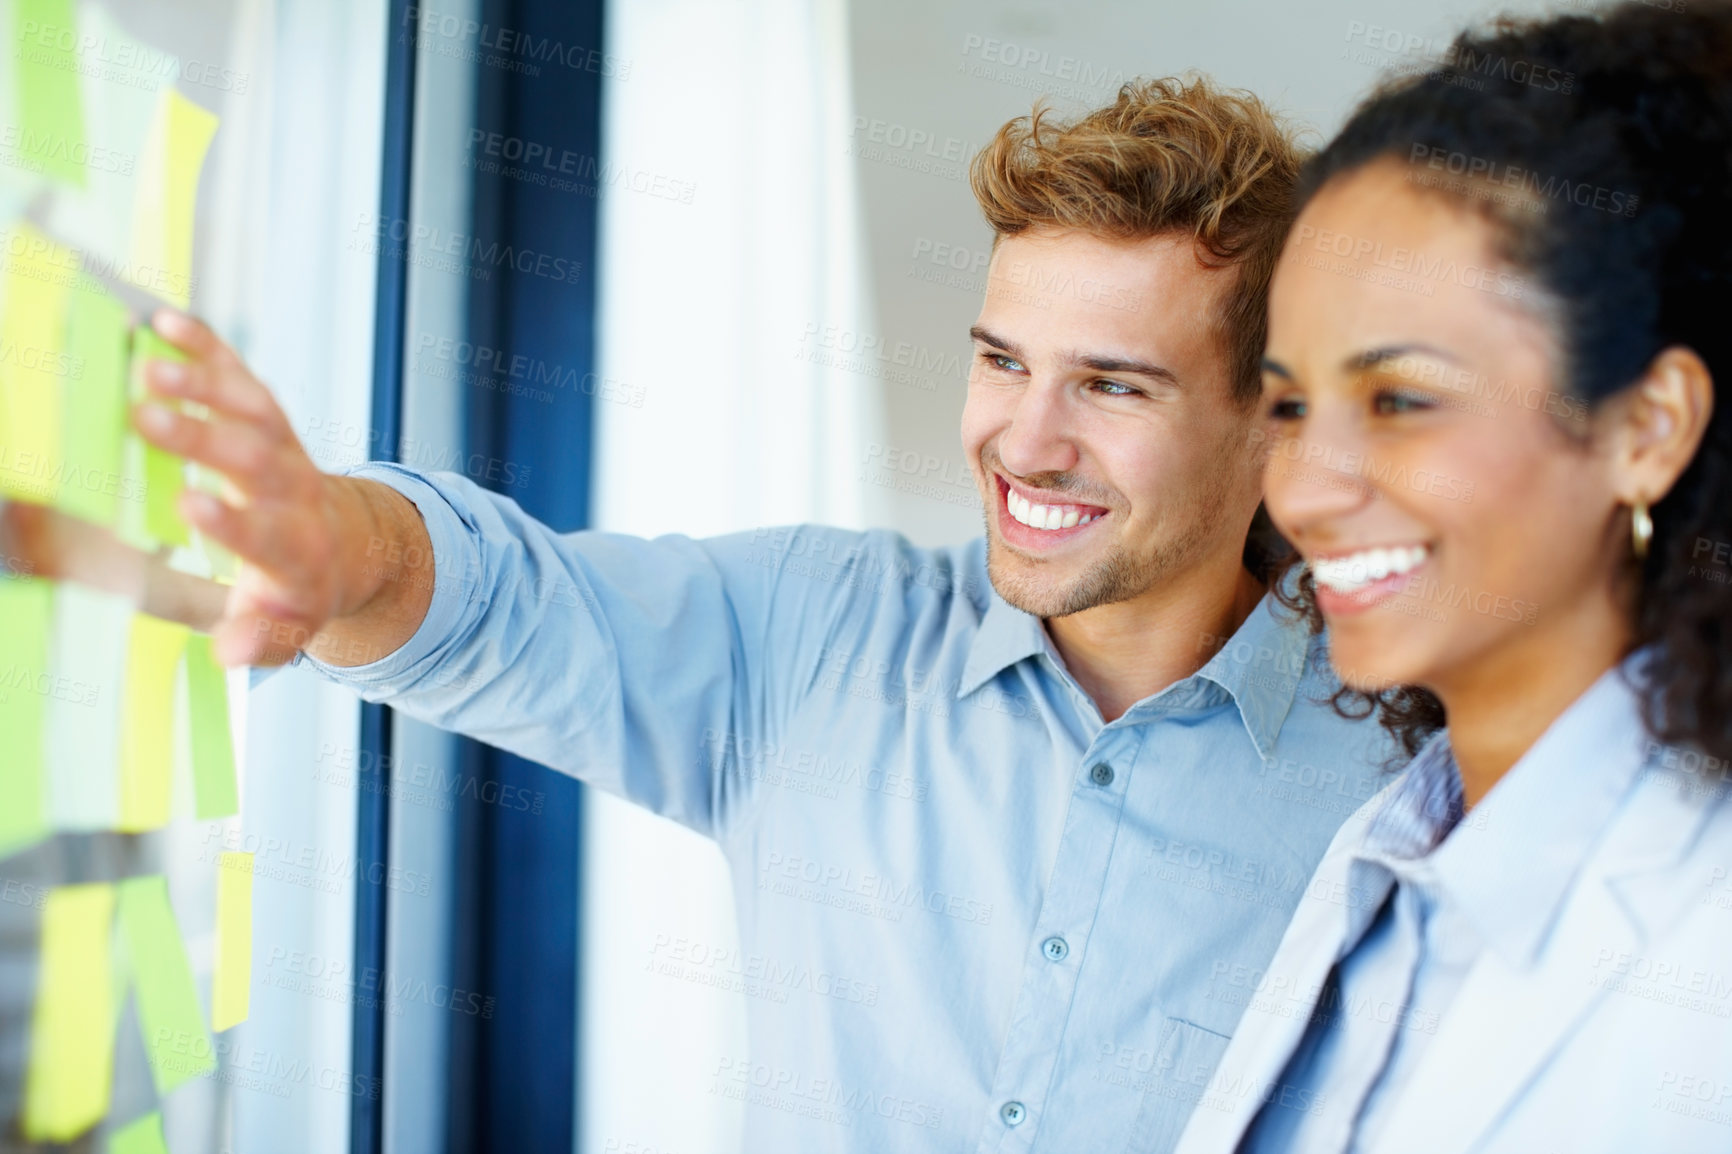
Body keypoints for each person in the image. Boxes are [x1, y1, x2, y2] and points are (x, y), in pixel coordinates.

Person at [119, 80, 1395, 1152]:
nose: (1022, 439)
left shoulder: (1412, 757)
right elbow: (492, 598)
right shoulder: (816, 636)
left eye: (1112, 386)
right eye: (1002, 359)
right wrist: (333, 543)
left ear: (1274, 420)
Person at [1174, 4, 1732, 1152]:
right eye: (1289, 406)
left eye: (1400, 400)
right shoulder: (1381, 860)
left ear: (1646, 424)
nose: (1307, 490)